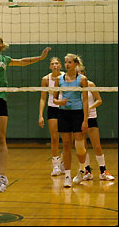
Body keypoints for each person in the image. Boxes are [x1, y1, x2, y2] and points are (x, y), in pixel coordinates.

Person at [0, 30, 51, 197]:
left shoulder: (4, 59)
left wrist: (40, 58)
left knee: (1, 137)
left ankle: (3, 176)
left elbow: (22, 61)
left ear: (1, 44)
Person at [53, 53, 88, 188]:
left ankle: (81, 169)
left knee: (79, 146)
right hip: (64, 114)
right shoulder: (59, 79)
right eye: (65, 62)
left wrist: (85, 119)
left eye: (69, 62)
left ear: (75, 64)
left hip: (78, 114)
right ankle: (67, 176)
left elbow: (85, 100)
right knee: (66, 145)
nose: (67, 64)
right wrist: (59, 101)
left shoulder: (82, 79)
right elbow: (54, 98)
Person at [78, 68, 115, 181]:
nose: (80, 76)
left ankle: (103, 171)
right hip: (78, 118)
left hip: (91, 117)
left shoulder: (90, 84)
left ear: (84, 74)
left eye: (81, 73)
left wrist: (88, 107)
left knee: (97, 145)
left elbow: (99, 100)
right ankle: (87, 171)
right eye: (77, 74)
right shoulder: (73, 87)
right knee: (83, 147)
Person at [39, 57, 65, 176]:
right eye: (52, 64)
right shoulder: (45, 79)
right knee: (54, 137)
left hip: (66, 108)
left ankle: (64, 161)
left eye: (56, 63)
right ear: (50, 66)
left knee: (67, 139)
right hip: (52, 108)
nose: (55, 65)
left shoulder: (66, 77)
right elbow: (43, 98)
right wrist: (40, 115)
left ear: (60, 65)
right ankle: (55, 164)